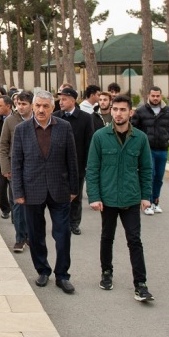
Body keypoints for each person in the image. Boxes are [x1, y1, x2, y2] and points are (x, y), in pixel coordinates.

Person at [87, 95, 154, 301]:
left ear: (130, 113)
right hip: (107, 199)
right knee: (107, 237)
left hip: (131, 198)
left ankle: (140, 284)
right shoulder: (100, 136)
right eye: (115, 109)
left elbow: (146, 169)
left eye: (122, 110)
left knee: (134, 240)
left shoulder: (140, 138)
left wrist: (146, 196)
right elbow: (92, 169)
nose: (118, 113)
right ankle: (106, 272)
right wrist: (94, 196)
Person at [12, 89, 79, 294]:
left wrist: (74, 188)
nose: (41, 110)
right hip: (32, 190)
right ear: (33, 106)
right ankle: (42, 270)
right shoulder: (22, 130)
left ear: (53, 108)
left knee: (63, 234)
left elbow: (72, 160)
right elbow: (17, 163)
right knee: (36, 234)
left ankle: (62, 275)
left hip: (60, 190)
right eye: (38, 106)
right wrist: (18, 192)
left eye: (45, 106)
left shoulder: (64, 127)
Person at [131, 86, 169, 215]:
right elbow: (133, 128)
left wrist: (167, 136)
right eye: (153, 96)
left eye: (158, 96)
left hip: (163, 149)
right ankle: (146, 202)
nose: (155, 98)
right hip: (147, 150)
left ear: (161, 96)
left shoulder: (168, 111)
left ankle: (155, 202)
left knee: (159, 177)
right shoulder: (141, 111)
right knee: (149, 176)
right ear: (148, 95)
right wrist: (143, 140)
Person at [53, 86, 95, 236]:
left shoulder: (85, 118)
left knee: (75, 196)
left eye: (64, 99)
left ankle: (74, 223)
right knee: (59, 196)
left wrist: (88, 165)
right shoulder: (56, 116)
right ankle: (61, 222)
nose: (61, 102)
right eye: (60, 99)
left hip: (78, 164)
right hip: (58, 164)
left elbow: (89, 142)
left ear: (73, 100)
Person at [0, 90, 33, 252]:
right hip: (15, 169)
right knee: (18, 205)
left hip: (35, 170)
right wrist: (6, 169)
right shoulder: (10, 121)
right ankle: (20, 238)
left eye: (24, 104)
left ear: (31, 105)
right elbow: (4, 146)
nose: (20, 107)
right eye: (18, 104)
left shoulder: (38, 120)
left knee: (34, 204)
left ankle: (32, 235)